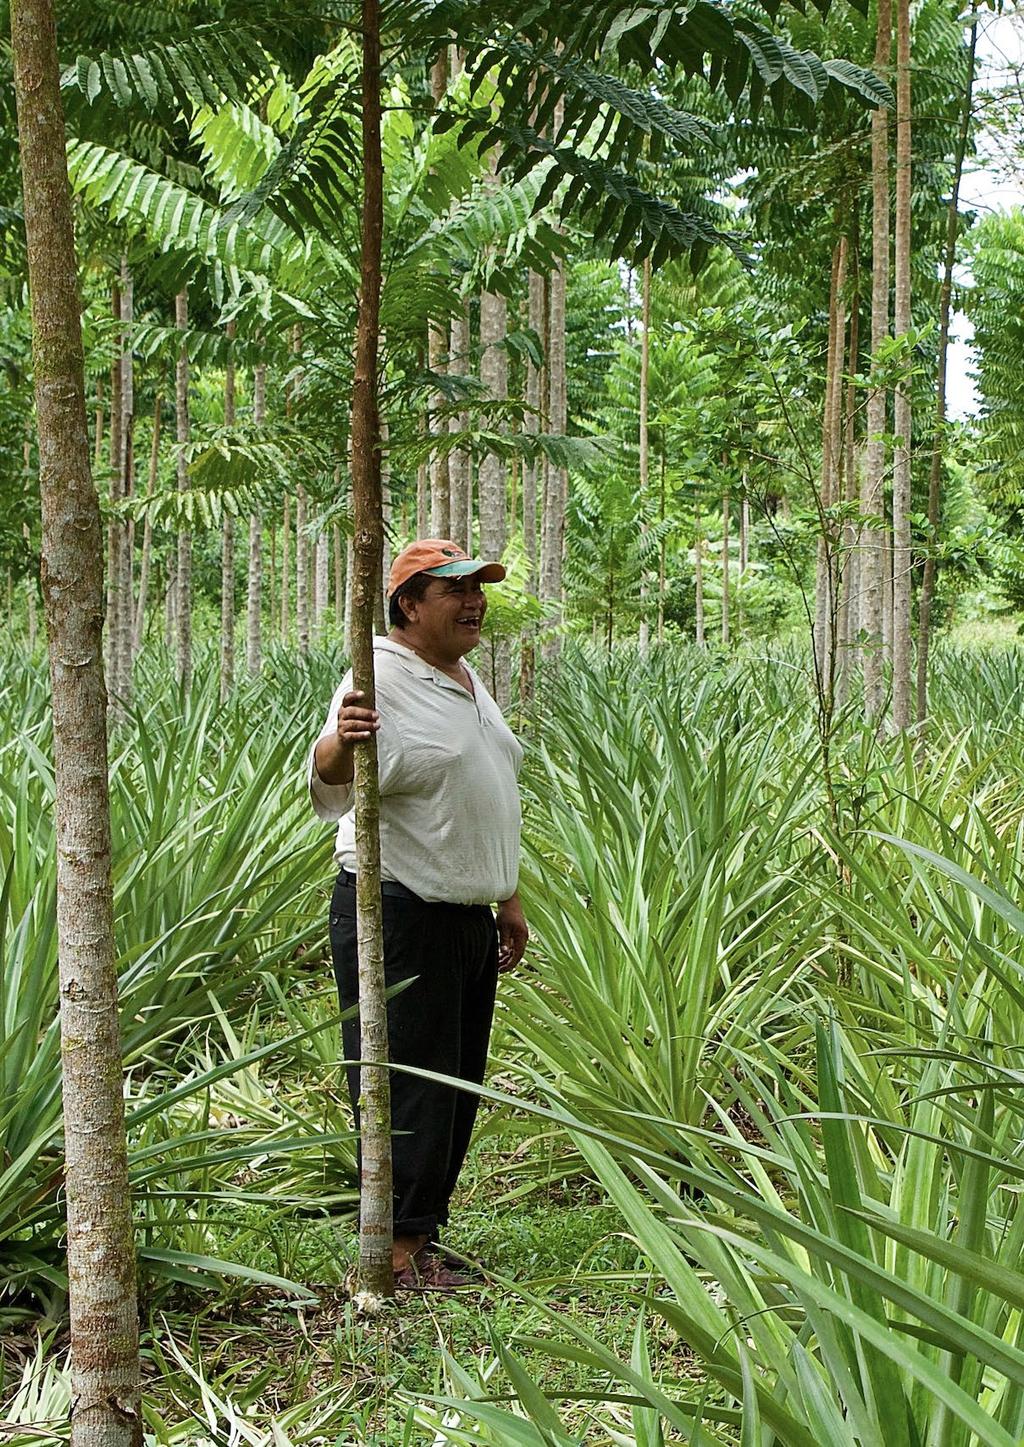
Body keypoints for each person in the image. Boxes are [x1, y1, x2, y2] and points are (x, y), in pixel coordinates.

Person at [308, 538, 528, 1291]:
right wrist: (342, 741)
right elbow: (334, 764)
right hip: (400, 907)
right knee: (408, 1083)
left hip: (464, 915)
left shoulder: (463, 675)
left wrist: (507, 895)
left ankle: (419, 1237)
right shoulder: (380, 673)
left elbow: (485, 786)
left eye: (478, 588)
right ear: (408, 603)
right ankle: (392, 1254)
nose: (475, 602)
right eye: (455, 590)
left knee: (455, 1083)